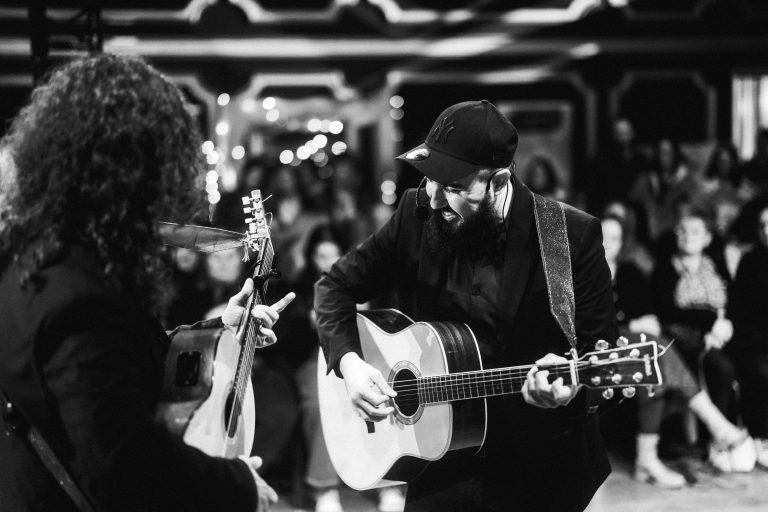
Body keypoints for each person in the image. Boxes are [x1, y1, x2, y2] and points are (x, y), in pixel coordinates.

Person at [0, 54, 293, 512]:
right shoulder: (82, 295)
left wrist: (215, 333)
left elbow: (123, 357)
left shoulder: (35, 256)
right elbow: (126, 467)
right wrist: (238, 485)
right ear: (134, 176)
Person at [315, 100, 618, 512]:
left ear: (496, 182)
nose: (435, 199)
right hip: (437, 456)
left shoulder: (569, 235)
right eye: (430, 180)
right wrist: (350, 364)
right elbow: (334, 286)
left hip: (539, 465)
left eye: (454, 187)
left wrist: (569, 389)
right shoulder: (416, 211)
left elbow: (601, 356)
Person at [601, 215, 750, 487]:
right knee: (654, 350)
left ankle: (647, 461)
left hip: (639, 346)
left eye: (613, 238)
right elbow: (585, 321)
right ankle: (713, 426)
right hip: (602, 348)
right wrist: (627, 323)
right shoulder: (582, 274)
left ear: (622, 243)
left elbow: (649, 312)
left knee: (652, 361)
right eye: (600, 235)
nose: (605, 243)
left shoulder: (630, 272)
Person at [651, 205, 756, 473]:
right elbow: (668, 310)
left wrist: (725, 325)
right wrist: (710, 322)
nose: (688, 236)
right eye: (682, 231)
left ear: (707, 238)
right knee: (718, 367)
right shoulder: (665, 269)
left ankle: (738, 436)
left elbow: (734, 306)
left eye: (695, 232)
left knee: (735, 363)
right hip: (682, 339)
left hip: (719, 337)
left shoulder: (716, 268)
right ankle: (715, 440)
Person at [727, 200, 768, 469]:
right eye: (764, 225)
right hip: (756, 339)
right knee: (762, 369)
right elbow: (742, 312)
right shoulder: (751, 261)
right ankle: (762, 436)